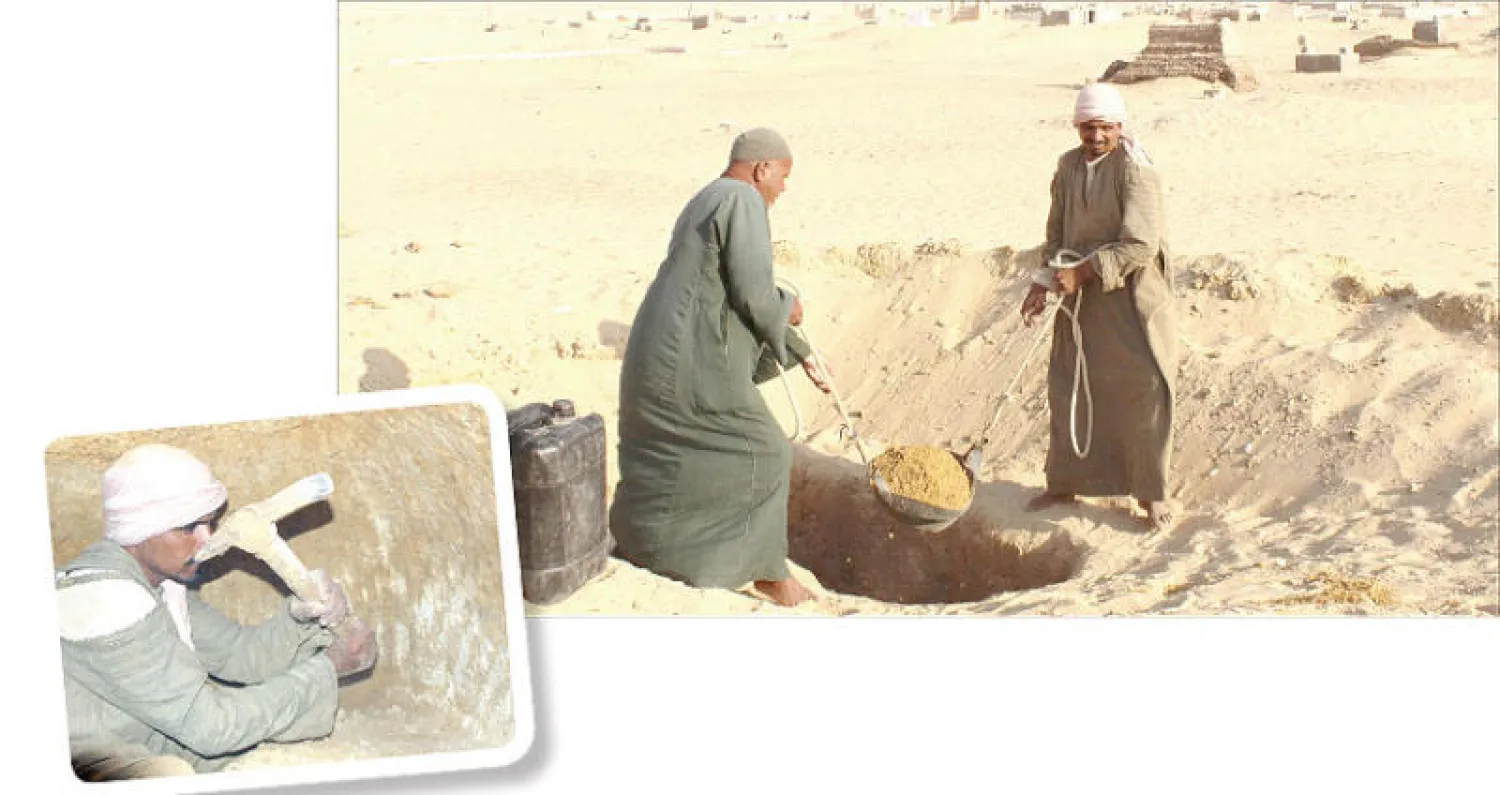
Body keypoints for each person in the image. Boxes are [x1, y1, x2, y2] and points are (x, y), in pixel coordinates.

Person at [55, 443, 378, 780]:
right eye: (188, 528)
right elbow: (210, 728)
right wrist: (329, 667)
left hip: (138, 741)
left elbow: (242, 656)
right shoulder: (106, 602)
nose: (206, 541)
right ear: (140, 531)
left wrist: (302, 618)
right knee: (170, 776)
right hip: (81, 760)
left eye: (209, 524)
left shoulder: (162, 587)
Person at [609, 127, 831, 607]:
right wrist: (789, 306)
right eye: (784, 176)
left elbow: (723, 292)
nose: (783, 189)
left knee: (677, 454)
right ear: (762, 168)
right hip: (689, 358)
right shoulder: (743, 201)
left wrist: (800, 351)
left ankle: (647, 545)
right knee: (766, 450)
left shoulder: (707, 196)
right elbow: (753, 291)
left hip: (662, 350)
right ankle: (768, 571)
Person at [1018, 82, 1179, 532]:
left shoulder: (1136, 172)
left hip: (1130, 296)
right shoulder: (1068, 166)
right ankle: (1064, 483)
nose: (1094, 137)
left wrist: (1086, 271)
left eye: (1103, 128)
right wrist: (1042, 282)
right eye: (1087, 128)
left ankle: (1151, 494)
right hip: (1079, 295)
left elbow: (1141, 244)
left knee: (1144, 386)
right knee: (1070, 381)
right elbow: (1056, 234)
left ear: (1119, 127)